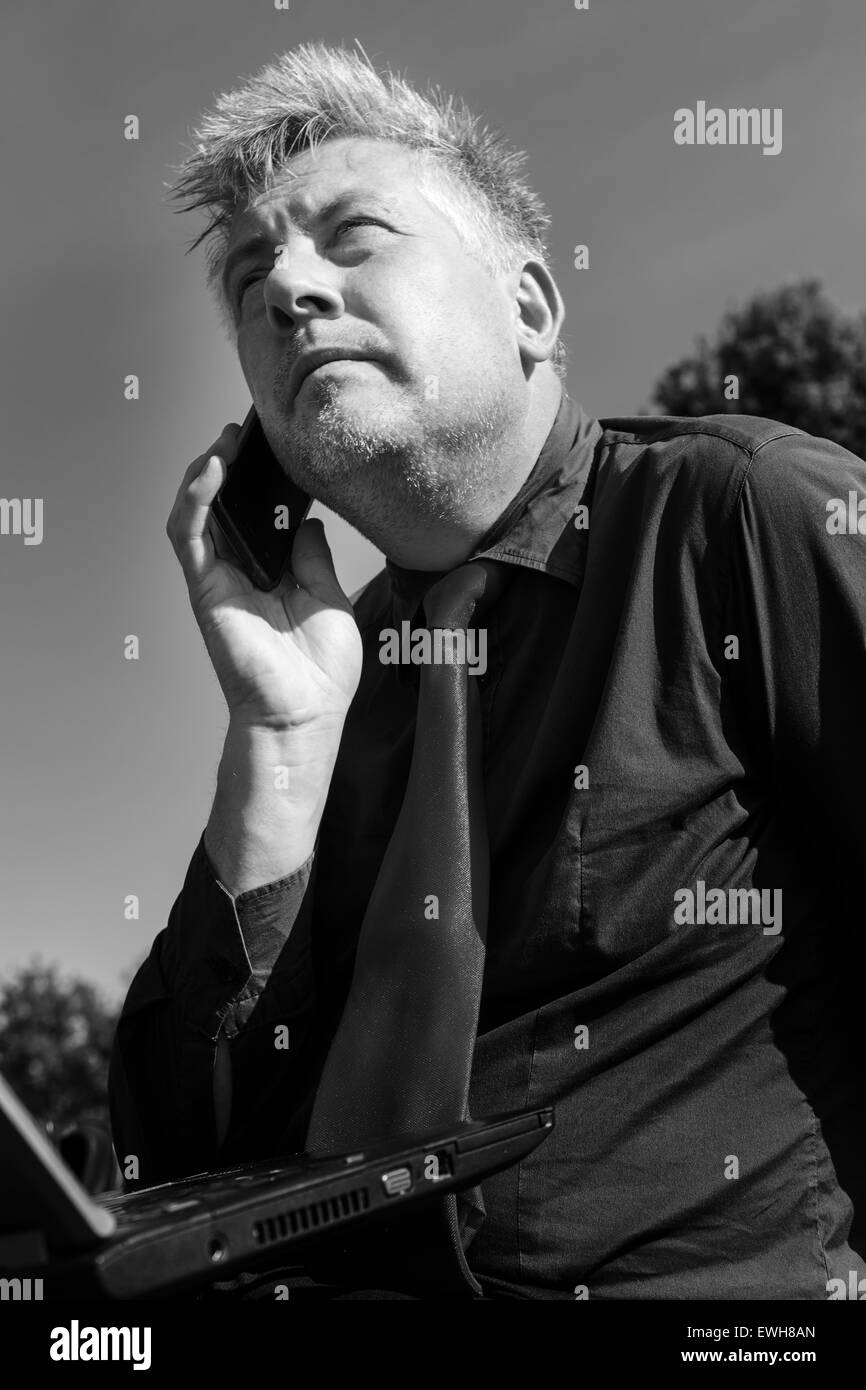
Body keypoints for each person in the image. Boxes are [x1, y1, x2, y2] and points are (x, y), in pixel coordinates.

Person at [109, 42, 866, 1300]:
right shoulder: (330, 676)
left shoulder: (745, 513)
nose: (289, 286)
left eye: (350, 238)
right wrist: (280, 745)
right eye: (251, 278)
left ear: (529, 308)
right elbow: (167, 1169)